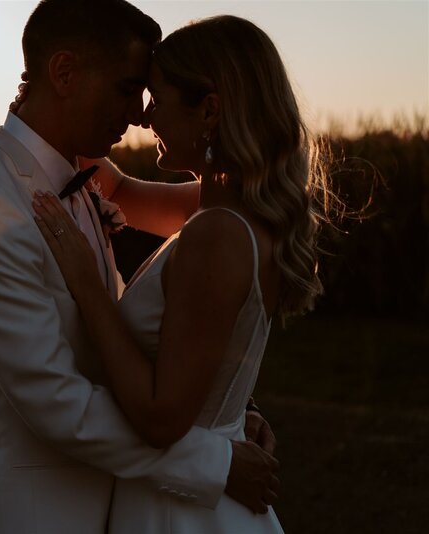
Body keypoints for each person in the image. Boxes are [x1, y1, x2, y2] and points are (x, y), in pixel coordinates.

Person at [0, 2, 279, 533]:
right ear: (64, 73)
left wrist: (217, 409)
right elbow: (59, 404)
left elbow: (126, 348)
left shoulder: (82, 185)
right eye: (127, 87)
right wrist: (214, 458)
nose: (139, 113)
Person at [33, 14, 328, 533]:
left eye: (157, 98)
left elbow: (161, 417)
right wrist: (47, 115)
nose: (145, 118)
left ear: (209, 110)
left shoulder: (215, 234)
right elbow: (118, 190)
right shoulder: (237, 209)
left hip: (181, 512)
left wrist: (87, 283)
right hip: (207, 492)